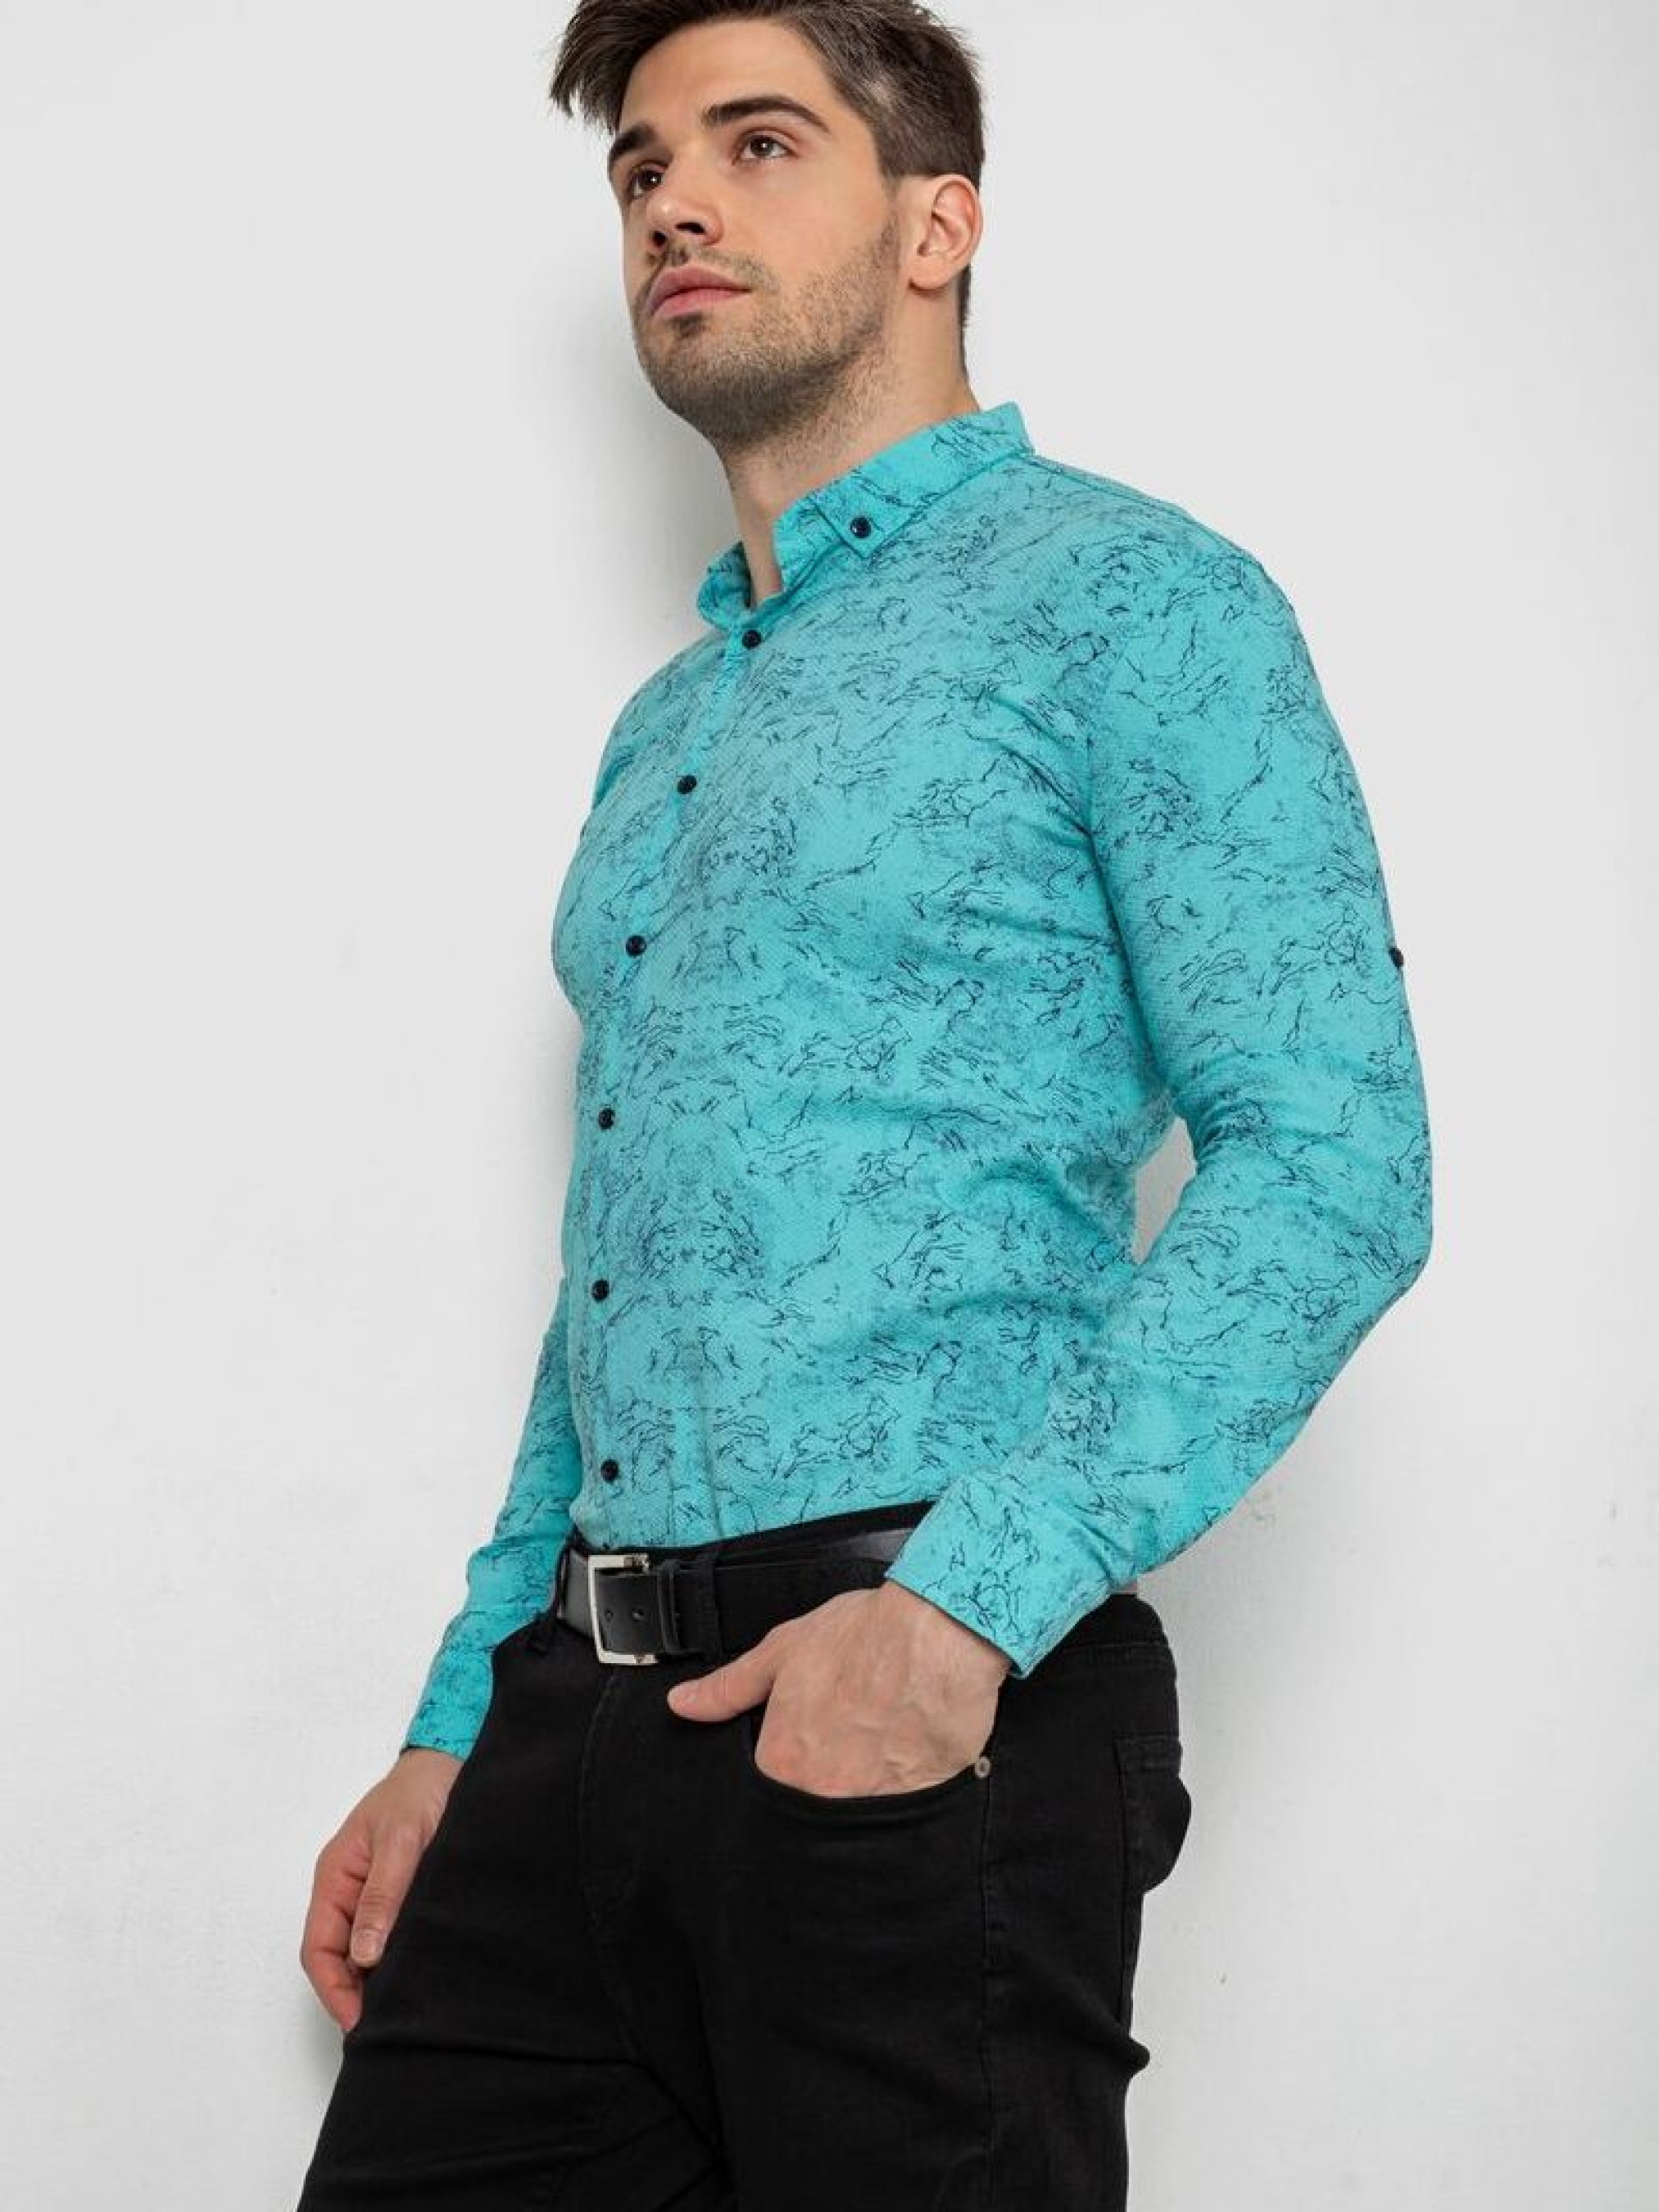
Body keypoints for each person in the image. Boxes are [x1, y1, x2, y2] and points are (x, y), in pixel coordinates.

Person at [294, 3, 1434, 2205]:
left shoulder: (1137, 603)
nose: (676, 205)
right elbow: (621, 1258)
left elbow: (1335, 1164)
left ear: (937, 224)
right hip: (571, 1722)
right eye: (641, 167)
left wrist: (964, 1609)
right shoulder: (661, 731)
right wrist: (463, 1718)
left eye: (756, 143)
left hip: (914, 1710)